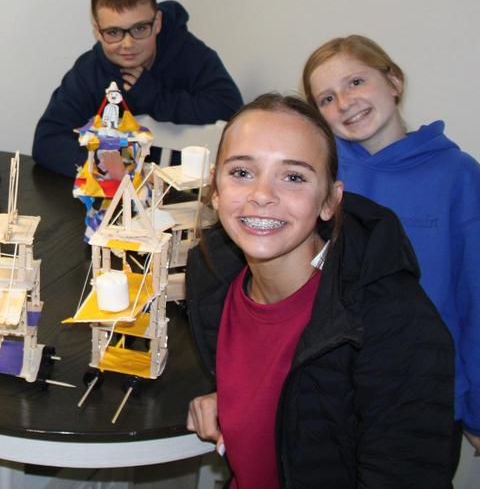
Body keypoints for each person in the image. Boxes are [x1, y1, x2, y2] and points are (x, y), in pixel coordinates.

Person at [185, 93, 454, 487]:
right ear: (215, 188)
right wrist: (235, 400)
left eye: (293, 177)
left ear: (330, 200)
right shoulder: (213, 278)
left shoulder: (393, 323)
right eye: (241, 172)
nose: (262, 194)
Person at [303, 34, 480, 458]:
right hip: (330, 390)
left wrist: (475, 409)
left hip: (424, 394)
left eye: (355, 82)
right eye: (327, 98)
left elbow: (474, 296)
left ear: (394, 81)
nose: (345, 103)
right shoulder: (319, 174)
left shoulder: (457, 175)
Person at [32, 0, 242, 176]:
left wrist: (156, 98)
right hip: (114, 190)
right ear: (97, 31)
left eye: (140, 28)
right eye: (113, 32)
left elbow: (231, 109)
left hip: (184, 191)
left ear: (157, 22)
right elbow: (47, 141)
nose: (128, 44)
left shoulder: (189, 53)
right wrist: (108, 168)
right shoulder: (89, 71)